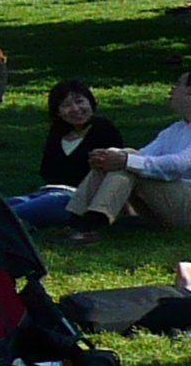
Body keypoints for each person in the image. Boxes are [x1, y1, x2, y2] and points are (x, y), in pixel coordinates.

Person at [61, 66, 191, 238]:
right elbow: (142, 155)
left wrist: (124, 159)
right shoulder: (175, 129)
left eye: (177, 85)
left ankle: (90, 223)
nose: (171, 90)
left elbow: (179, 164)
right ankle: (77, 219)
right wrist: (108, 157)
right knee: (125, 159)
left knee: (128, 160)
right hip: (170, 206)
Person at [11, 80, 123, 227]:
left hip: (75, 199)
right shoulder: (58, 132)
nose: (75, 109)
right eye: (66, 105)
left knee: (11, 214)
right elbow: (46, 170)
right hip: (46, 193)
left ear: (91, 103)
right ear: (57, 111)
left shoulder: (103, 129)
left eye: (80, 102)